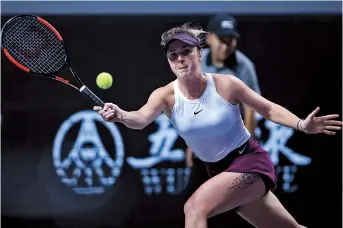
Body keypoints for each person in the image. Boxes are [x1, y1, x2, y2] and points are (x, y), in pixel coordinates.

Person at [94, 23, 342, 228]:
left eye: (186, 52)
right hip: (218, 170)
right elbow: (140, 119)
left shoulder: (227, 84)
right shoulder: (164, 96)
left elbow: (266, 109)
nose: (180, 59)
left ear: (199, 54)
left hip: (250, 162)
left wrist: (301, 124)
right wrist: (121, 115)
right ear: (169, 62)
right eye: (173, 56)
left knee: (193, 208)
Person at [184, 13, 261, 202]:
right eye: (222, 40)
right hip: (204, 149)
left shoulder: (244, 67)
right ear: (209, 38)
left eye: (231, 40)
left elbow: (250, 110)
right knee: (193, 203)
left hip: (233, 148)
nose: (226, 45)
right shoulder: (197, 65)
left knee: (237, 205)